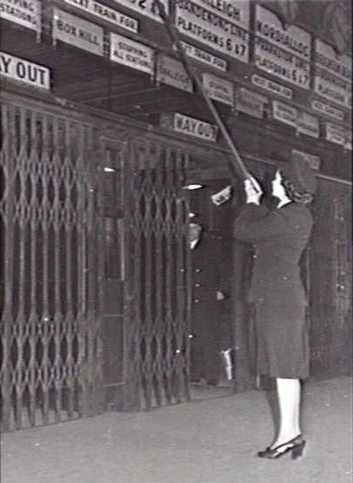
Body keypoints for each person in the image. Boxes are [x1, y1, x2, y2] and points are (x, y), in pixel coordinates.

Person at [233, 154, 317, 459]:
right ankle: (291, 434)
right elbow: (268, 228)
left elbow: (243, 231)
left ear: (286, 185)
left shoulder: (286, 217)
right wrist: (259, 202)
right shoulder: (295, 214)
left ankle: (286, 437)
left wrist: (251, 201)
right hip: (284, 298)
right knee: (287, 369)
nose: (273, 181)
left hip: (278, 300)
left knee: (283, 369)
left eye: (277, 178)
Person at [188, 223, 233, 385]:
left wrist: (222, 291)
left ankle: (211, 374)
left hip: (207, 298)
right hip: (187, 298)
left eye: (194, 228)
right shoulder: (178, 248)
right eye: (188, 228)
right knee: (190, 335)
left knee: (209, 335)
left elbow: (225, 271)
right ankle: (193, 373)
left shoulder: (211, 248)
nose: (191, 231)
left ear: (200, 230)